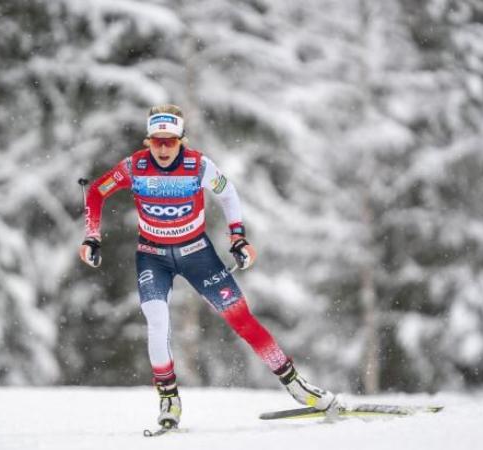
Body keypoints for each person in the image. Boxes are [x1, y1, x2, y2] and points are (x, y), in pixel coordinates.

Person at [79, 104, 337, 428]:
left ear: (181, 140)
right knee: (157, 321)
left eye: (169, 141)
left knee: (241, 319)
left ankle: (297, 385)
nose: (162, 148)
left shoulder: (198, 166)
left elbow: (228, 195)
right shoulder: (133, 167)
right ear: (148, 141)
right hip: (152, 255)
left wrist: (238, 239)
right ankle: (169, 400)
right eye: (156, 141)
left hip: (197, 253)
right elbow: (96, 191)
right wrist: (92, 237)